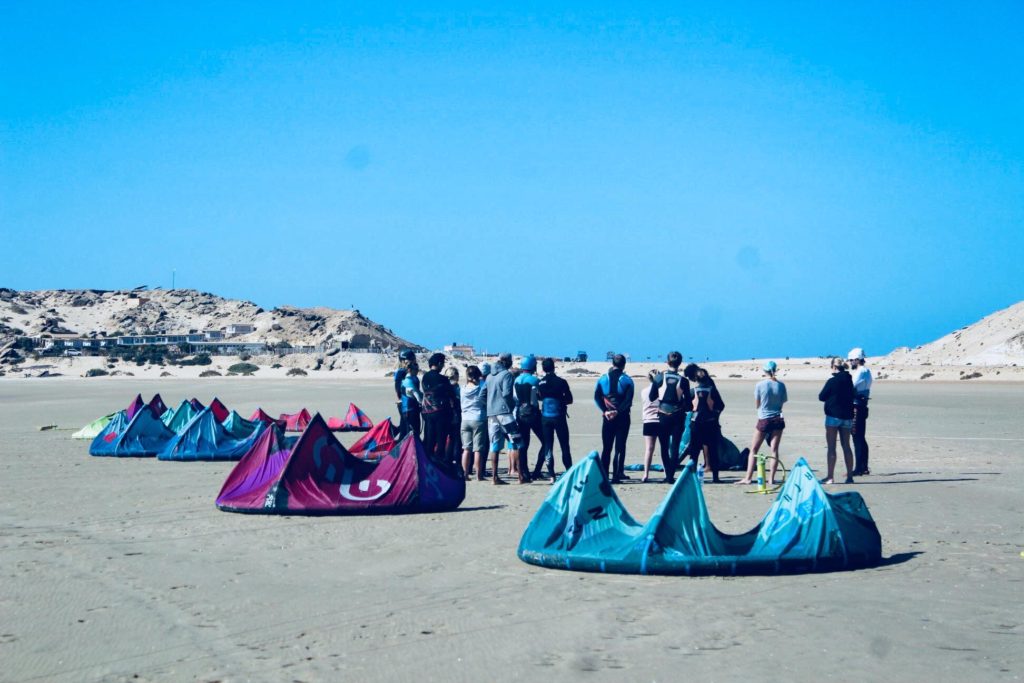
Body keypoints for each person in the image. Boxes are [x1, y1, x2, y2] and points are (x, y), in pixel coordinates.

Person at [737, 361, 787, 485]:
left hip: (765, 418)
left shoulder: (760, 385)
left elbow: (757, 404)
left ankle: (748, 478)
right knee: (774, 450)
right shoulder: (781, 385)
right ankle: (771, 479)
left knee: (754, 449)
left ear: (765, 371)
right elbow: (782, 402)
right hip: (778, 418)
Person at [649, 351, 691, 483]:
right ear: (680, 364)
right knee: (675, 447)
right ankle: (670, 476)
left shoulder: (659, 378)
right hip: (677, 416)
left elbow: (651, 397)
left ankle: (668, 475)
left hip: (663, 416)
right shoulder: (684, 381)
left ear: (667, 362)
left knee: (664, 446)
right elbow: (689, 404)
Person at [594, 354, 634, 483]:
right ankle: (617, 475)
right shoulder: (627, 380)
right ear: (624, 365)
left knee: (606, 447)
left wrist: (605, 411)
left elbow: (596, 397)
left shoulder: (602, 379)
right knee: (620, 447)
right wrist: (617, 411)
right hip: (622, 417)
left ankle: (604, 475)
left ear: (612, 363)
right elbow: (628, 401)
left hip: (608, 418)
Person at [487, 353, 527, 484]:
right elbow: (507, 393)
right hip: (504, 413)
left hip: (491, 414)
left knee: (495, 445)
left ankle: (494, 477)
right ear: (507, 361)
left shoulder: (489, 376)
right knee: (517, 442)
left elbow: (483, 394)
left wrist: (489, 405)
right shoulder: (507, 375)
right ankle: (521, 476)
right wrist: (511, 406)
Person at [819, 357, 856, 484]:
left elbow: (822, 396)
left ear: (833, 367)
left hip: (833, 416)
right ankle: (850, 476)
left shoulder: (832, 381)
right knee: (846, 445)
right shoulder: (849, 380)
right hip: (847, 416)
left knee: (831, 446)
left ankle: (830, 476)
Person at [537, 357, 574, 480]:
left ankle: (551, 474)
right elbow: (570, 399)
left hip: (545, 418)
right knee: (564, 445)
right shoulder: (561, 382)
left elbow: (539, 397)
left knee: (548, 445)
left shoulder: (540, 383)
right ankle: (569, 471)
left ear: (543, 369)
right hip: (559, 417)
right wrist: (561, 401)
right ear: (554, 367)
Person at [686, 364, 724, 483]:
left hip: (696, 423)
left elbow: (686, 405)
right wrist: (714, 413)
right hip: (710, 423)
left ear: (696, 379)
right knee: (713, 449)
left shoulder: (693, 391)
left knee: (694, 451)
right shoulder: (712, 390)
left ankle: (692, 476)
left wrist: (692, 410)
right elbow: (721, 405)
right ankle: (716, 477)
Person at [514, 355, 546, 480]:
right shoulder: (534, 380)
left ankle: (524, 471)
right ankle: (537, 470)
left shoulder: (517, 380)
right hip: (533, 413)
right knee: (546, 441)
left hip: (520, 413)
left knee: (523, 444)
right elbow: (540, 396)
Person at [420, 353, 457, 464]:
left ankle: (427, 462)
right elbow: (452, 395)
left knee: (429, 439)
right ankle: (439, 462)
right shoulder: (442, 379)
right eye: (442, 364)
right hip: (440, 412)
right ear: (439, 363)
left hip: (427, 411)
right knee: (441, 439)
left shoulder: (425, 377)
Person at [460, 365, 488, 481]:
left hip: (465, 419)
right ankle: (478, 475)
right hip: (478, 418)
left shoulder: (463, 388)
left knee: (466, 449)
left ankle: (465, 474)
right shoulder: (481, 387)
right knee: (478, 449)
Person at [848, 347, 873, 476]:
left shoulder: (861, 371)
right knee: (861, 437)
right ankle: (863, 466)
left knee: (857, 437)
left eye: (851, 360)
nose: (850, 363)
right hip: (862, 406)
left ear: (857, 359)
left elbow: (850, 386)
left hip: (857, 407)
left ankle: (859, 468)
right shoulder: (866, 371)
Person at [640, 369, 661, 482]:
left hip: (648, 421)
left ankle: (646, 473)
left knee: (649, 449)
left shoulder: (644, 391)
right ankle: (668, 472)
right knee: (664, 448)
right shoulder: (661, 391)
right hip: (659, 420)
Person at [394, 349, 416, 436]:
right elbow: (398, 388)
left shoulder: (404, 371)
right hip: (405, 403)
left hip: (406, 403)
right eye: (412, 359)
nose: (414, 360)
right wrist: (400, 399)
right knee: (407, 429)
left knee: (404, 427)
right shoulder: (401, 372)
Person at [444, 366, 462, 469]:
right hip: (455, 414)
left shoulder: (444, 387)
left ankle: (448, 459)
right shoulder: (455, 388)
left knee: (451, 438)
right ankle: (456, 460)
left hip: (447, 415)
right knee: (456, 439)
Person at [399, 362, 423, 439]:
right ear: (409, 370)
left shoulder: (408, 380)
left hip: (406, 409)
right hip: (410, 410)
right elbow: (418, 396)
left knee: (408, 431)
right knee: (413, 432)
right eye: (415, 369)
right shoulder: (409, 381)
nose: (417, 371)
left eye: (418, 369)